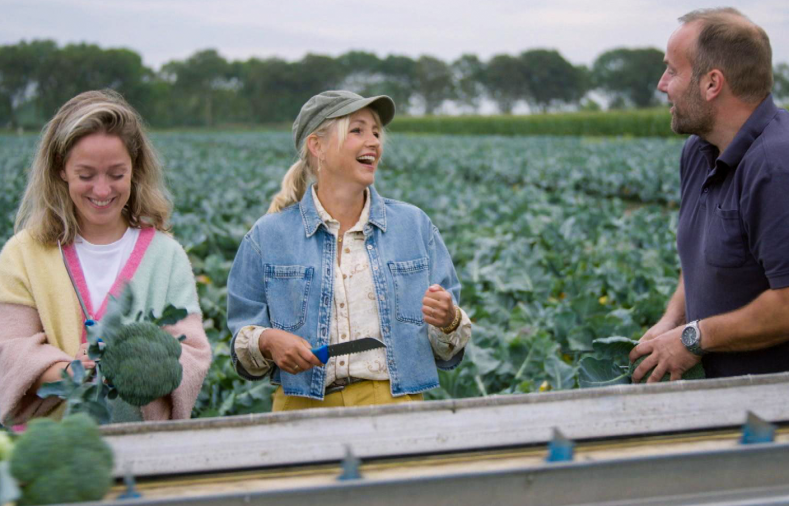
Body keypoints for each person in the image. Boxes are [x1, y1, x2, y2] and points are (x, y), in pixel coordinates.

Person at [630, 8, 789, 382]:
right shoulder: (700, 151)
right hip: (725, 396)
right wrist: (673, 320)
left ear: (712, 83)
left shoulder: (780, 168)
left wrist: (693, 339)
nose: (663, 84)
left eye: (673, 71)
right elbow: (706, 258)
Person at [227, 90, 471, 410]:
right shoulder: (268, 236)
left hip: (396, 403)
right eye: (357, 130)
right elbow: (244, 342)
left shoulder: (415, 226)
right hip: (302, 407)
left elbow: (448, 349)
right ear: (317, 146)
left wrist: (449, 320)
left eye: (376, 132)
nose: (373, 141)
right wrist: (268, 341)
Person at [0, 90, 211, 424]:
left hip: (144, 452)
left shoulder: (166, 255)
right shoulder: (22, 254)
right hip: (53, 454)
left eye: (116, 174)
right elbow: (9, 350)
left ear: (135, 170)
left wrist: (133, 366)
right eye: (86, 175)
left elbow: (194, 353)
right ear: (61, 170)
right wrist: (70, 371)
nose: (102, 190)